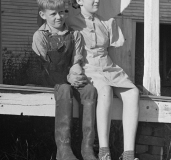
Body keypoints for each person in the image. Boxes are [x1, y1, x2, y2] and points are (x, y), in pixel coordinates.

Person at [66, 0, 140, 160]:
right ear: (79, 1)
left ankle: (128, 154)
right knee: (105, 91)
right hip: (88, 68)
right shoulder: (71, 22)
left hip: (108, 67)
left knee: (133, 93)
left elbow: (113, 52)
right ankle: (104, 151)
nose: (96, 0)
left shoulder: (108, 22)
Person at [32, 0, 98, 160]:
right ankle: (63, 149)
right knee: (65, 89)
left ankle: (87, 149)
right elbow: (45, 66)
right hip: (49, 78)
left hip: (69, 76)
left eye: (62, 12)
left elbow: (76, 61)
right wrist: (69, 77)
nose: (59, 17)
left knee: (90, 90)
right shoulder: (40, 36)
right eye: (53, 13)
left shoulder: (74, 34)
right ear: (43, 15)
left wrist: (75, 73)